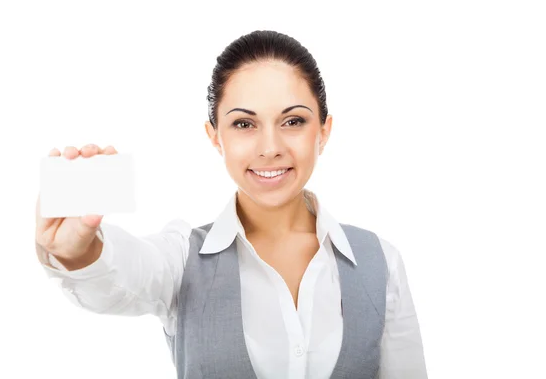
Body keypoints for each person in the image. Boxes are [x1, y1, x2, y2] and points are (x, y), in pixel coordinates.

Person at [35, 30, 427, 379]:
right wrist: (81, 251)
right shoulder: (181, 260)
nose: (270, 148)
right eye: (244, 124)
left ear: (323, 131)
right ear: (215, 137)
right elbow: (127, 272)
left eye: (293, 121)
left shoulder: (381, 262)